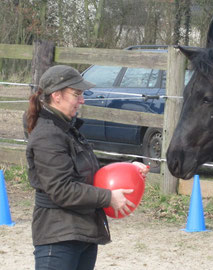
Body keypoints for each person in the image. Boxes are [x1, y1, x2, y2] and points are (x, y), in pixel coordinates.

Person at [25, 65, 149, 270]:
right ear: (56, 96)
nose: (82, 100)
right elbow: (62, 189)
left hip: (81, 232)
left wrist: (129, 169)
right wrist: (108, 197)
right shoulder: (47, 136)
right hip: (58, 238)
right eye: (76, 94)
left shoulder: (66, 129)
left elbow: (87, 172)